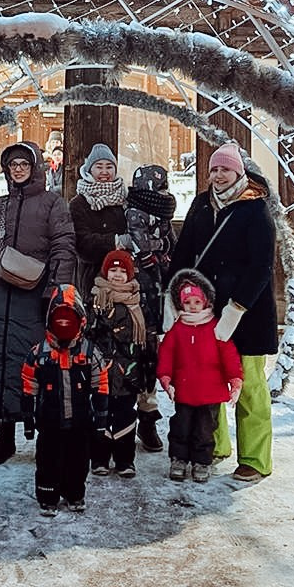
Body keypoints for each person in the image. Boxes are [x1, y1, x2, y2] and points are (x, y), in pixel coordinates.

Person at [169, 140, 278, 482]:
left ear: (239, 172)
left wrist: (237, 308)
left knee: (249, 386)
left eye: (225, 169)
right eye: (214, 169)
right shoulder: (202, 205)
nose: (218, 175)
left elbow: (261, 267)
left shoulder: (256, 209)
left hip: (248, 313)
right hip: (206, 312)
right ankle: (212, 444)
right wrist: (174, 296)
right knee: (208, 380)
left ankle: (255, 459)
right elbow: (184, 252)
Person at [0, 140, 76, 465]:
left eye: (24, 164)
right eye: (13, 165)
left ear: (35, 167)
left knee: (35, 366)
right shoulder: (0, 205)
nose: (18, 170)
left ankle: (43, 435)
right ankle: (4, 437)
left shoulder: (53, 203)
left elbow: (63, 246)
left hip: (34, 295)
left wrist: (55, 290)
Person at [21, 283, 109, 515]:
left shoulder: (89, 353)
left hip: (81, 422)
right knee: (47, 461)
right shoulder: (39, 353)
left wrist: (101, 421)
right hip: (49, 422)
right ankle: (47, 496)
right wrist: (28, 420)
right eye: (58, 317)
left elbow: (101, 385)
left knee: (78, 461)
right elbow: (28, 386)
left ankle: (75, 494)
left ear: (81, 321)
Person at [157, 268, 243, 483]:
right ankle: (178, 459)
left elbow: (229, 355)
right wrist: (165, 377)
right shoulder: (177, 329)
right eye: (188, 302)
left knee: (205, 430)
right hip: (184, 390)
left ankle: (202, 461)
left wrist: (235, 378)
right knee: (181, 427)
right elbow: (166, 355)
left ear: (205, 302)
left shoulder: (216, 327)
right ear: (181, 304)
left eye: (197, 301)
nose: (192, 306)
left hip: (210, 391)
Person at [124, 161, 177, 452]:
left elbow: (170, 244)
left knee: (151, 358)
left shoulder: (164, 211)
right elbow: (140, 243)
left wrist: (164, 252)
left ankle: (148, 417)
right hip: (133, 294)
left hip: (157, 293)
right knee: (130, 356)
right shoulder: (133, 211)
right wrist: (159, 248)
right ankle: (123, 420)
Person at [87, 248, 149, 477]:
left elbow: (147, 339)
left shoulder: (138, 303)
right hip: (100, 372)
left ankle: (125, 460)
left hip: (128, 373)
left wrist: (148, 368)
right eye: (113, 270)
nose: (117, 275)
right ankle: (100, 458)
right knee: (100, 415)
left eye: (123, 271)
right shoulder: (95, 299)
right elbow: (87, 334)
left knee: (125, 416)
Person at [68, 142, 128, 298]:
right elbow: (82, 244)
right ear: (89, 170)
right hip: (92, 277)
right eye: (99, 167)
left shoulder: (125, 198)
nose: (104, 172)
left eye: (109, 167)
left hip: (125, 275)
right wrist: (116, 241)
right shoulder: (79, 203)